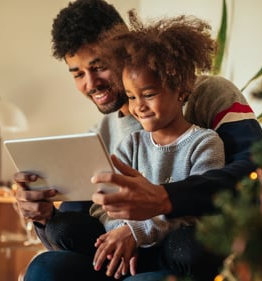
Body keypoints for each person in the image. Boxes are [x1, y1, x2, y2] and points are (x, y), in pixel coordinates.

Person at [13, 0, 262, 280]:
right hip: (121, 258)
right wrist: (44, 216)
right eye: (78, 73)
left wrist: (166, 199)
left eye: (98, 66)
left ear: (124, 50)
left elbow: (260, 171)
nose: (91, 83)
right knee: (45, 266)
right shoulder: (101, 134)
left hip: (180, 250)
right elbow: (75, 234)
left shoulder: (209, 95)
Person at [88, 11, 226, 279]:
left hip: (171, 255)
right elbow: (103, 203)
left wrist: (136, 232)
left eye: (148, 94)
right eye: (131, 96)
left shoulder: (205, 143)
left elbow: (197, 212)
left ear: (182, 89)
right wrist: (122, 232)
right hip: (129, 252)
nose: (138, 106)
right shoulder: (131, 145)